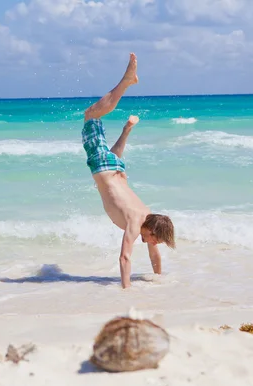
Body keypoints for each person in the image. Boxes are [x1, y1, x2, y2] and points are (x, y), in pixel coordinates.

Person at [80, 52, 175, 289]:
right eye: (157, 239)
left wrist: (159, 280)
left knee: (111, 157)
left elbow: (154, 256)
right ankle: (126, 80)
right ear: (152, 230)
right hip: (104, 166)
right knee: (90, 115)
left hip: (115, 165)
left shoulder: (147, 215)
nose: (155, 244)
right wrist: (126, 290)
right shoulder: (136, 221)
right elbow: (124, 258)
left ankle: (126, 130)